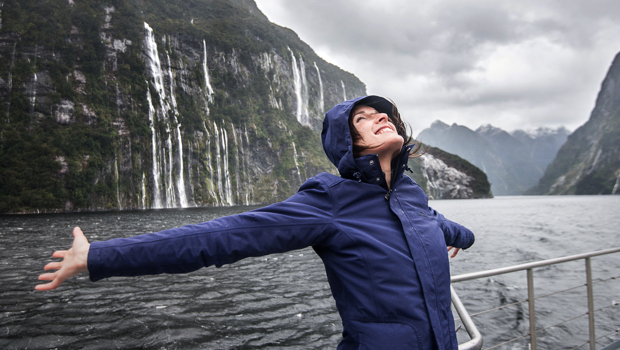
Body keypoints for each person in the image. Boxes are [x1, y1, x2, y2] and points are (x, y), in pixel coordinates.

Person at [36, 95, 475, 350]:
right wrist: (98, 256)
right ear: (349, 141)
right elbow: (223, 237)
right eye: (363, 117)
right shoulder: (330, 201)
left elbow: (436, 223)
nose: (381, 117)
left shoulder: (410, 194)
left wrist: (462, 237)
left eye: (385, 114)